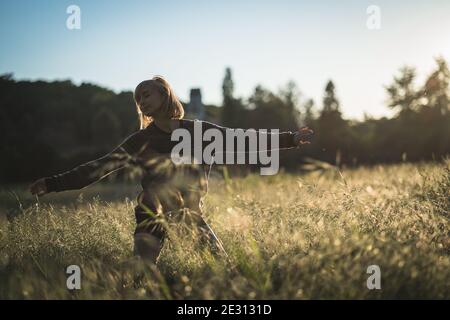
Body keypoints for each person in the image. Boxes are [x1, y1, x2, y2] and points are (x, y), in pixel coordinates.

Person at [29, 76, 313, 264]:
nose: (141, 100)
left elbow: (246, 141)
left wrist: (290, 138)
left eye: (147, 93)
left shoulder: (199, 132)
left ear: (165, 94)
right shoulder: (139, 141)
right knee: (142, 275)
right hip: (151, 213)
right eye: (138, 98)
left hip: (190, 213)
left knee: (222, 268)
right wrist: (52, 183)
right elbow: (98, 168)